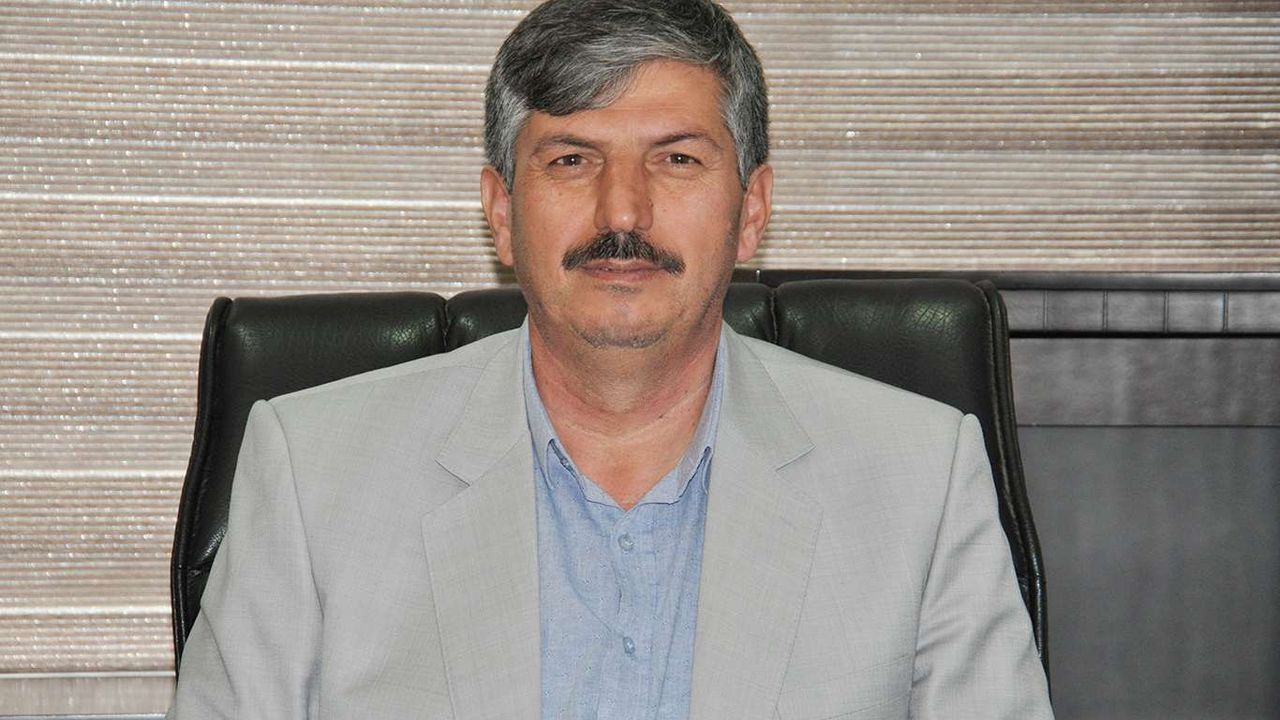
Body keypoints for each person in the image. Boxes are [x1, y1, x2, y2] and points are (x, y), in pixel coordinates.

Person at [168, 1, 1054, 718]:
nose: (622, 211)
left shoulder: (917, 479)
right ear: (502, 213)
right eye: (570, 159)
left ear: (751, 210)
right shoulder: (316, 473)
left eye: (677, 159)